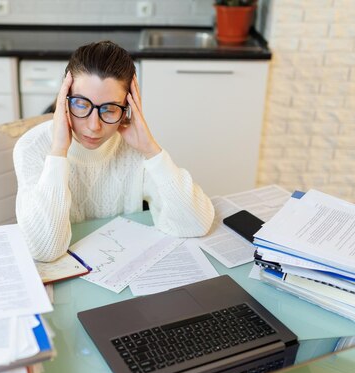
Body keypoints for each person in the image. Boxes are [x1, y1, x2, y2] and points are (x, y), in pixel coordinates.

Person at [13, 40, 214, 262]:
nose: (94, 126)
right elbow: (44, 249)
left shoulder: (135, 145)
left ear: (128, 108)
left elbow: (195, 224)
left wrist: (151, 150)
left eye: (109, 109)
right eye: (81, 104)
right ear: (64, 98)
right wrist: (59, 151)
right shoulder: (31, 148)